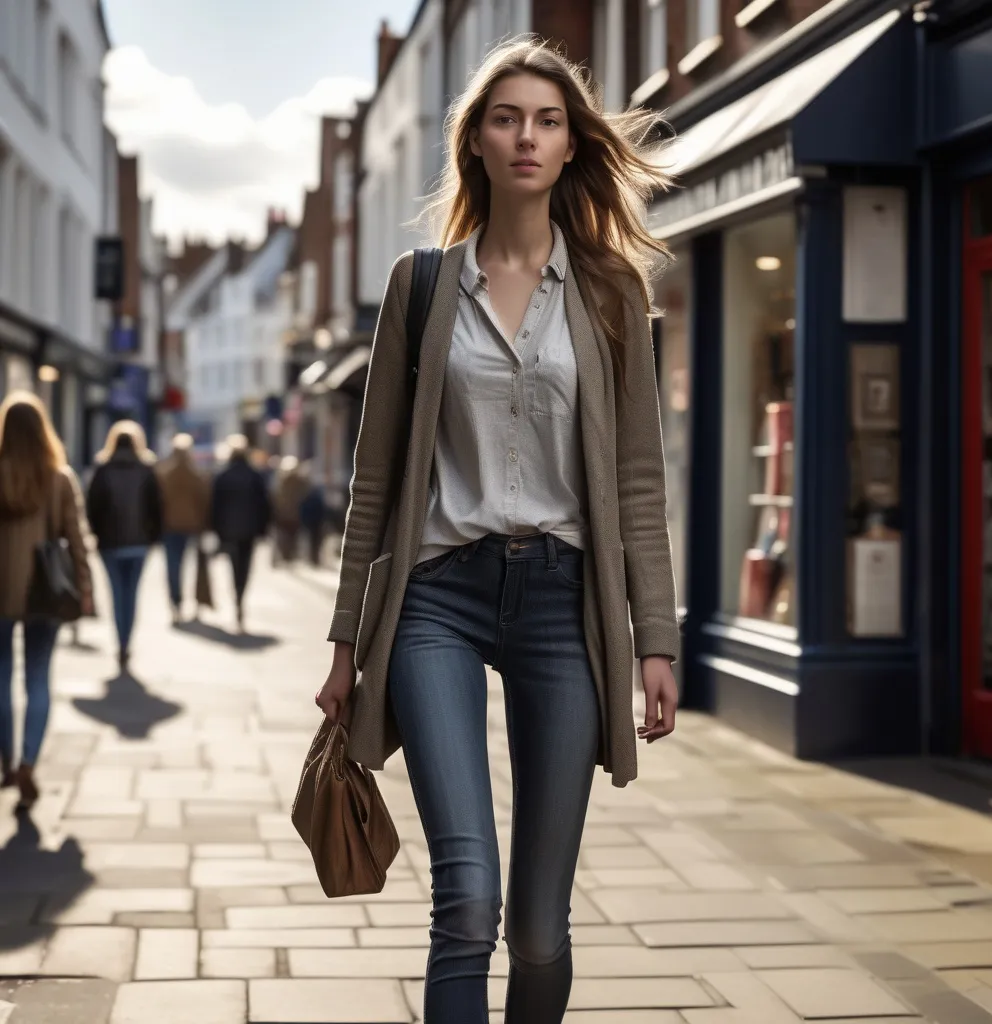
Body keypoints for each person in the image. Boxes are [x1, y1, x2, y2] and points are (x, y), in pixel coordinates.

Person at [314, 38, 679, 1024]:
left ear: (570, 145)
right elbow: (374, 480)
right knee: (466, 898)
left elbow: (639, 482)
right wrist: (348, 640)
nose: (527, 135)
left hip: (565, 603)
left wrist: (655, 640)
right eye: (507, 117)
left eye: (548, 119)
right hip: (436, 597)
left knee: (539, 928)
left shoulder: (610, 291)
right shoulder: (420, 287)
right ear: (475, 140)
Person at [0, 392, 93, 809]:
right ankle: (28, 762)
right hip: (44, 592)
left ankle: (6, 762)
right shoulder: (59, 478)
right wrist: (86, 591)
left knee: (1, 676)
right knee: (37, 677)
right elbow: (76, 540)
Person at [86, 421, 163, 672]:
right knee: (131, 596)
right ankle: (126, 642)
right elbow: (157, 508)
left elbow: (92, 508)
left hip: (110, 544)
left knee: (117, 595)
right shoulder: (146, 469)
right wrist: (152, 538)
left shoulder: (103, 469)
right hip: (138, 543)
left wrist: (97, 534)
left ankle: (120, 641)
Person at [211, 434, 271, 633]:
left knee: (234, 566)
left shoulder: (223, 476)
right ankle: (240, 597)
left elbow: (215, 507)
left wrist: (216, 531)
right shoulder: (255, 476)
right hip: (249, 531)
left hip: (229, 531)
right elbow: (265, 505)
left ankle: (237, 597)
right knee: (245, 567)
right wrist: (263, 530)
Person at [155, 433, 210, 624]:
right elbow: (204, 501)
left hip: (169, 526)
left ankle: (176, 602)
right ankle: (192, 601)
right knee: (192, 565)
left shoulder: (164, 473)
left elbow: (157, 503)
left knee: (173, 566)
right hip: (191, 526)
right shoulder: (196, 475)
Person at [270, 455, 309, 564]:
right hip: (291, 514)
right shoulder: (297, 481)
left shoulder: (282, 481)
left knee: (287, 536)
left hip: (287, 514)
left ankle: (287, 555)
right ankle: (289, 555)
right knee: (289, 536)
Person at [298, 468, 327, 566]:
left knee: (314, 540)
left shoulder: (311, 492)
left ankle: (313, 558)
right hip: (313, 519)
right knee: (313, 540)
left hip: (313, 519)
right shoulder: (309, 492)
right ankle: (313, 558)